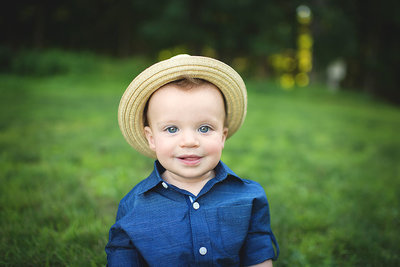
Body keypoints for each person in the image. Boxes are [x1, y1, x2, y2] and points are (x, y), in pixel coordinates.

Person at [106, 55, 279, 266]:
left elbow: (258, 256)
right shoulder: (134, 207)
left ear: (223, 136)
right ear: (151, 138)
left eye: (204, 128)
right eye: (172, 129)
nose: (189, 141)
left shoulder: (248, 198)